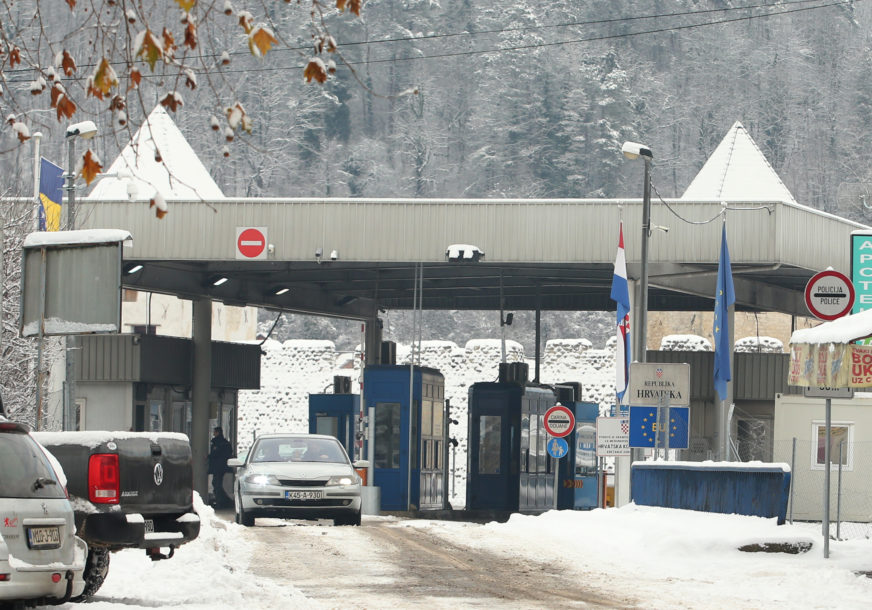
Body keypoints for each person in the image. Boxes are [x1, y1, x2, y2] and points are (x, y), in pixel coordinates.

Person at [207, 426, 233, 508]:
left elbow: (216, 455)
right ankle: (223, 501)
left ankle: (221, 502)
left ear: (217, 432)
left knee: (217, 485)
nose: (213, 434)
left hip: (218, 468)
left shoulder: (218, 443)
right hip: (223, 467)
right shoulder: (225, 443)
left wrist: (209, 457)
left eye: (214, 432)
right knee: (218, 484)